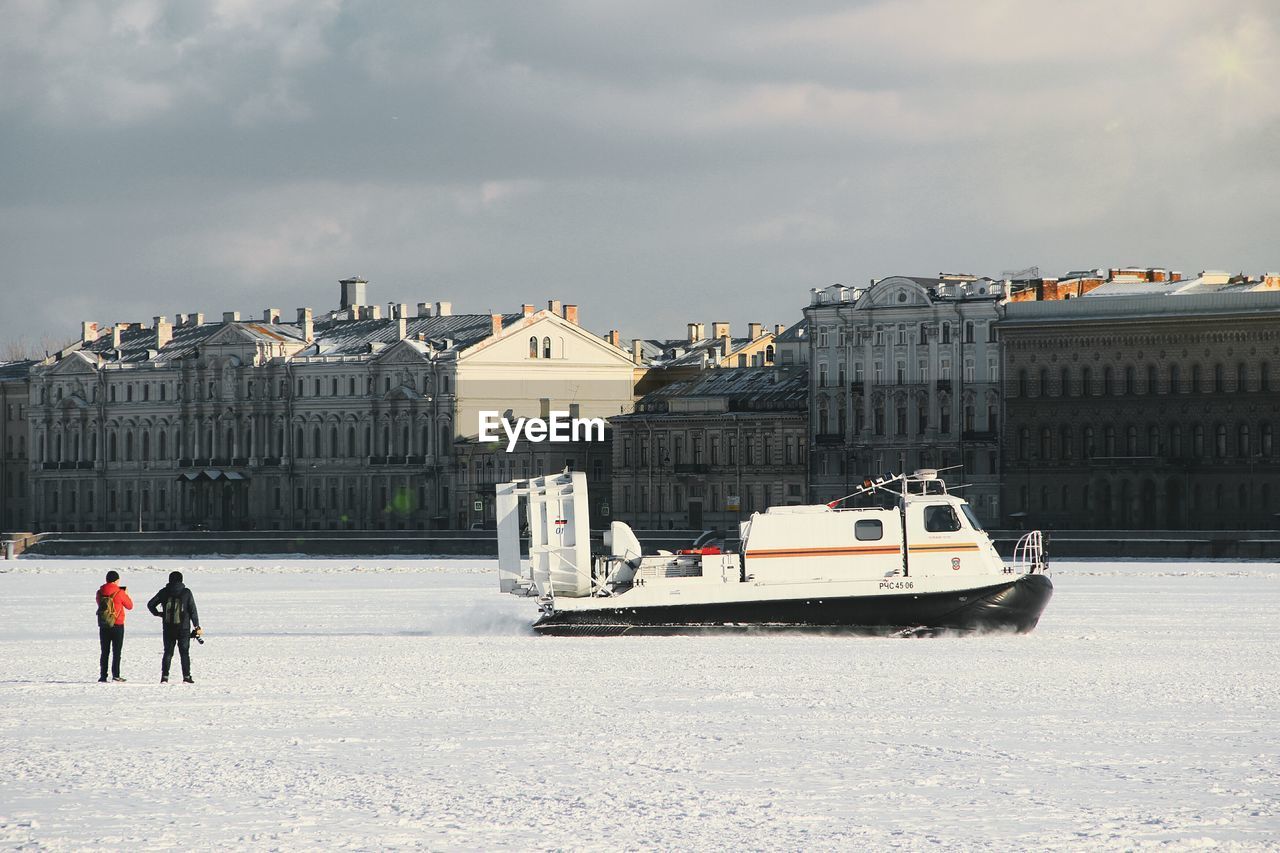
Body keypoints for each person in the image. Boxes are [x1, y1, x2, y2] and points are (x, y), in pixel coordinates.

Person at [147, 571, 202, 684]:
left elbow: (150, 604)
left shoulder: (164, 592)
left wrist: (159, 614)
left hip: (168, 628)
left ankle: (165, 677)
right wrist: (196, 625)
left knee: (168, 652)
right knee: (184, 653)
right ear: (181, 580)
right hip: (184, 628)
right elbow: (192, 610)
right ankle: (186, 676)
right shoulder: (186, 592)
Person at [95, 570, 133, 683]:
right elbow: (130, 606)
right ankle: (116, 675)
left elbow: (100, 604)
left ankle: (103, 676)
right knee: (117, 652)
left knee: (104, 651)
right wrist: (125, 593)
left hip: (104, 624)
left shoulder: (100, 592)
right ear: (116, 580)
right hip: (117, 625)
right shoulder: (119, 592)